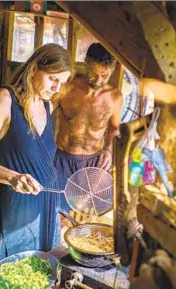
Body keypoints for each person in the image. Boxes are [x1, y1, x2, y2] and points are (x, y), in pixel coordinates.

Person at [0, 43, 73, 261]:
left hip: (47, 206)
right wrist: (10, 178)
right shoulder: (4, 100)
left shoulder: (47, 107)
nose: (57, 88)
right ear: (34, 68)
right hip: (20, 208)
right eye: (53, 79)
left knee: (43, 272)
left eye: (61, 83)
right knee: (16, 274)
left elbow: (29, 158)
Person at [52, 42, 123, 214]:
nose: (98, 80)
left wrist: (109, 149)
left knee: (88, 213)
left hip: (94, 163)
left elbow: (114, 128)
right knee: (57, 211)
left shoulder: (115, 97)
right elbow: (44, 119)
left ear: (112, 70)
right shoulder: (66, 89)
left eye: (104, 75)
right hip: (62, 160)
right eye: (93, 73)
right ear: (85, 64)